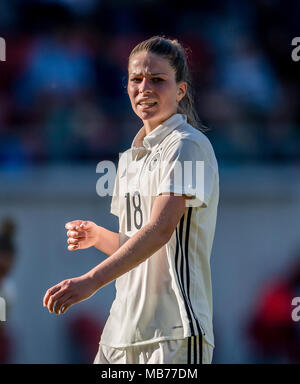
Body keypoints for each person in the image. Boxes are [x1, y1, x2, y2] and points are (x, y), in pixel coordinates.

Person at [43, 36, 219, 364]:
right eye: (136, 79)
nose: (144, 87)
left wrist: (91, 280)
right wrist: (98, 236)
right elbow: (136, 245)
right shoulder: (128, 159)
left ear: (180, 90)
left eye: (157, 80)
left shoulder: (188, 146)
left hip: (173, 334)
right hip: (119, 334)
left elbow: (161, 230)